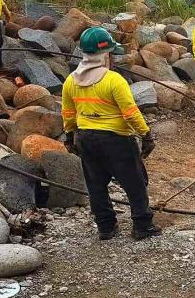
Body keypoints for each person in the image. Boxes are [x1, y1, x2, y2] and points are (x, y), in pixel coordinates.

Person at [61, 27, 161, 241]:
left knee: (96, 185)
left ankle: (106, 227)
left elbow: (68, 113)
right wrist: (146, 134)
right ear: (105, 54)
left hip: (86, 138)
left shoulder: (71, 80)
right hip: (116, 139)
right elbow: (130, 113)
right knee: (135, 182)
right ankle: (142, 225)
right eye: (111, 53)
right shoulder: (114, 80)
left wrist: (70, 137)